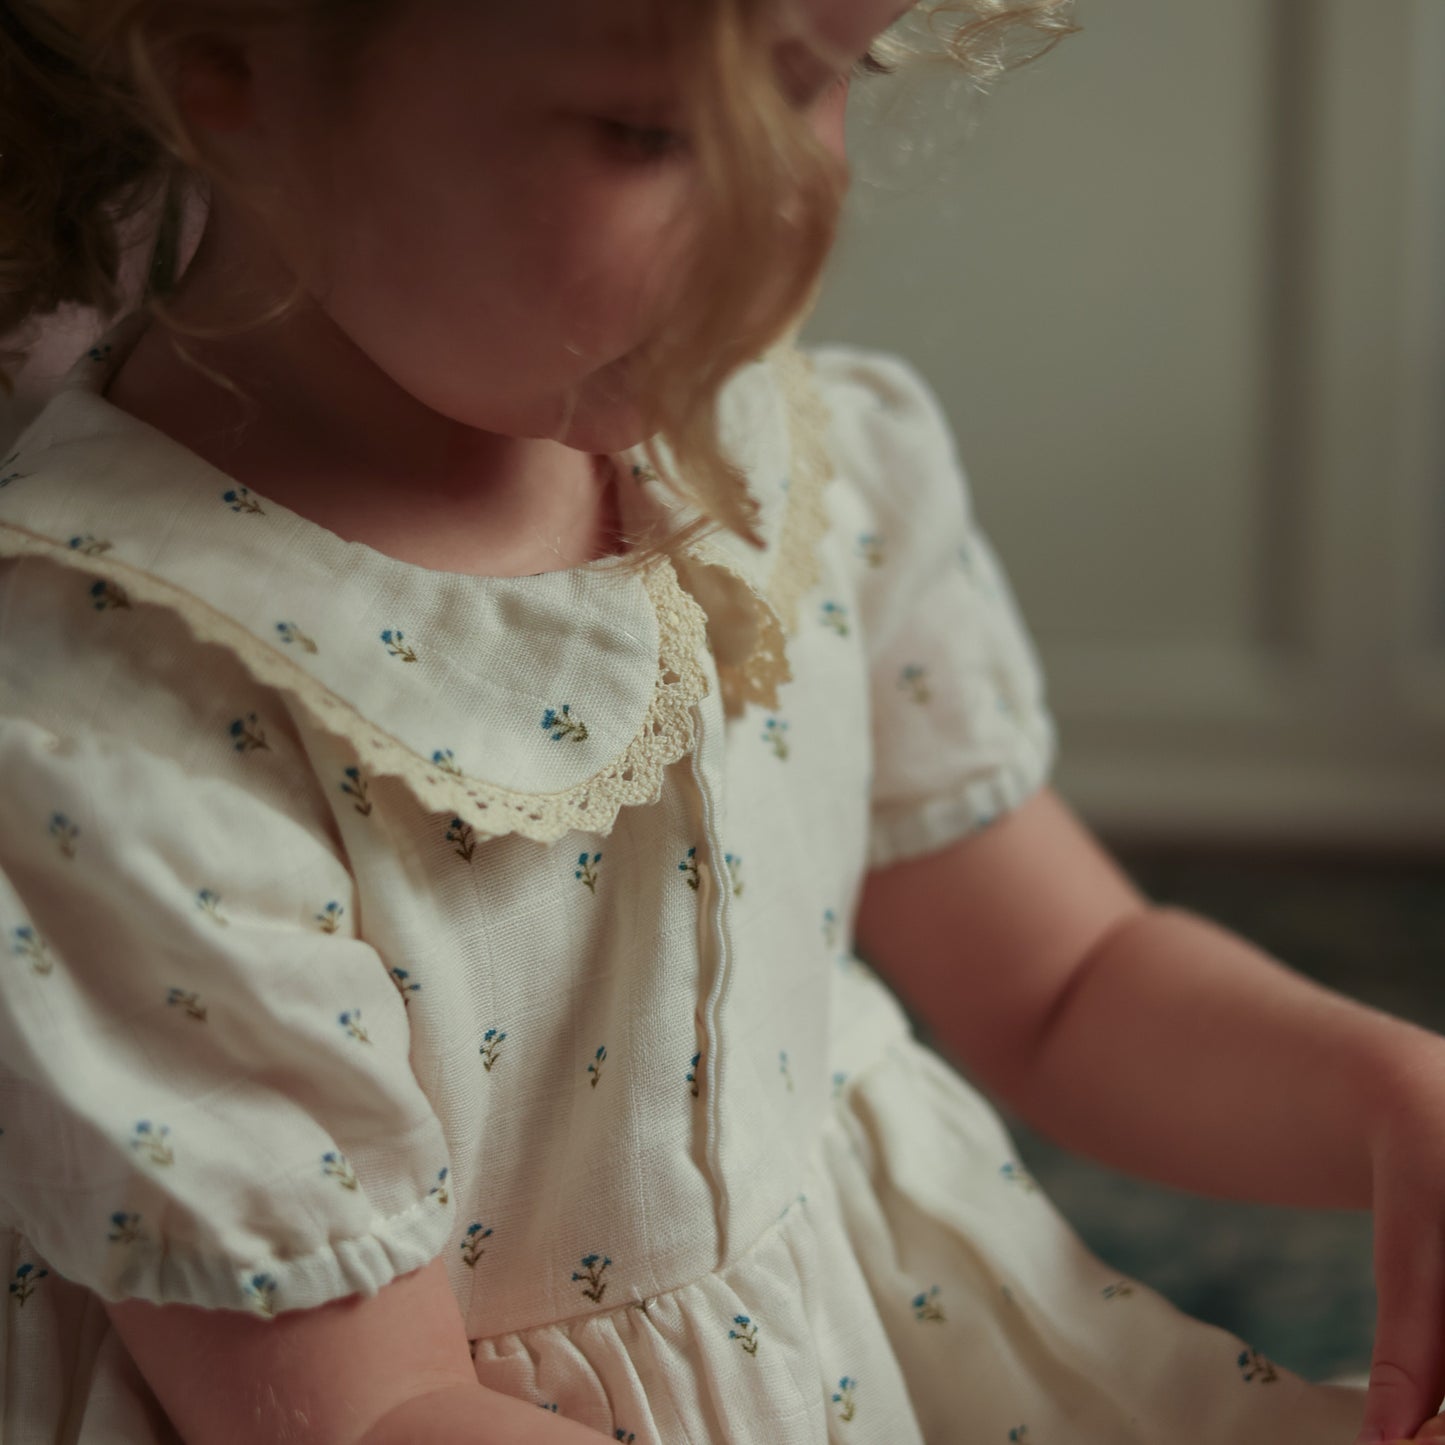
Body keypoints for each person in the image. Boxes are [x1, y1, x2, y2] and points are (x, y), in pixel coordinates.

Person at [1, 2, 1443, 1442]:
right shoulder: (108, 720)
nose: (792, 214)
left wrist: (1392, 1094)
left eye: (835, 81)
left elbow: (1067, 978)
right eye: (651, 129)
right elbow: (372, 1408)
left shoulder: (791, 470)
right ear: (222, 59)